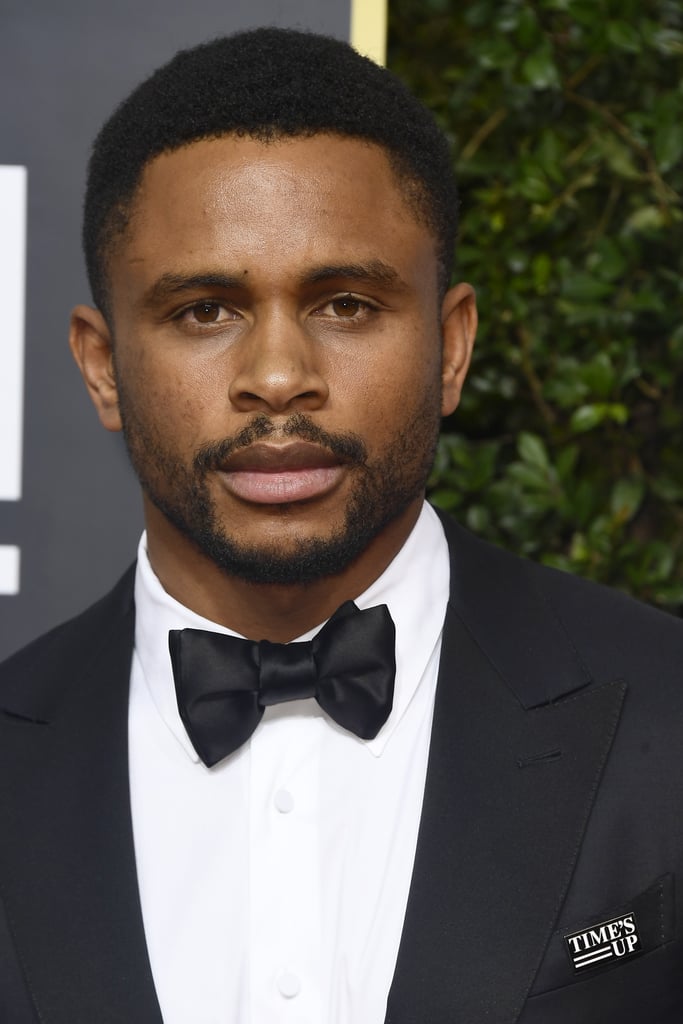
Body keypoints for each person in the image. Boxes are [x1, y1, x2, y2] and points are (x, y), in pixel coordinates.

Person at [0, 26, 681, 1024]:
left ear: (449, 349)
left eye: (347, 303)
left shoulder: (664, 712)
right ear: (102, 366)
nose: (278, 377)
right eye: (203, 312)